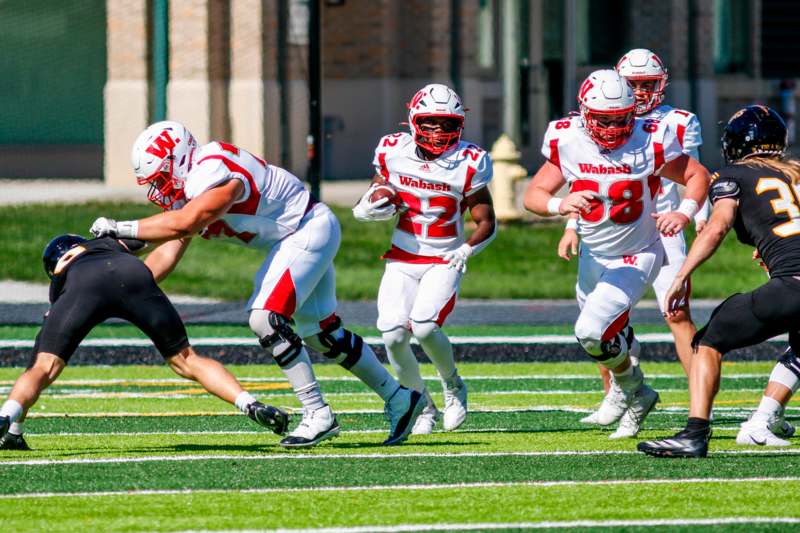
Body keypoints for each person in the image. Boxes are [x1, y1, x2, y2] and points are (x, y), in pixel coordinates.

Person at [89, 121, 425, 448]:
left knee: (265, 318)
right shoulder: (190, 191)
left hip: (305, 230)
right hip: (300, 234)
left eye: (161, 178)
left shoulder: (214, 167)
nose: (157, 190)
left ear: (178, 159)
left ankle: (317, 413)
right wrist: (124, 290)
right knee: (322, 334)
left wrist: (119, 226)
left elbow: (189, 222)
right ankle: (399, 399)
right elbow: (167, 249)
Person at [524, 69, 710, 439]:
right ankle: (636, 392)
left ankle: (632, 387)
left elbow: (698, 175)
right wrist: (562, 206)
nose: (611, 128)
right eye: (603, 120)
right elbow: (533, 195)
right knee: (607, 335)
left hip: (637, 252)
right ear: (584, 113)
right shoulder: (568, 139)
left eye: (620, 119)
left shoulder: (650, 139)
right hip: (594, 253)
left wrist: (684, 213)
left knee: (590, 331)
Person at [0, 234, 289, 450]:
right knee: (187, 359)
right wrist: (190, 226)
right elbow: (168, 240)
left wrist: (17, 425)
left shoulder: (61, 276)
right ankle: (249, 404)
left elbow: (41, 357)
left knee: (44, 366)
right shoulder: (107, 242)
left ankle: (7, 419)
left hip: (83, 285)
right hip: (133, 272)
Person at [639, 105, 800, 458]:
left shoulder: (732, 176)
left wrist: (682, 274)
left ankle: (694, 433)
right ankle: (763, 420)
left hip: (792, 285)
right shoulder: (797, 171)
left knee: (708, 341)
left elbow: (717, 226)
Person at [353, 83, 496, 434]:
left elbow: (487, 222)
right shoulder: (392, 150)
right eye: (430, 122)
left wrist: (466, 250)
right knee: (392, 335)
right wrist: (368, 206)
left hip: (444, 257)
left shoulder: (469, 161)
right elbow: (377, 190)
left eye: (447, 124)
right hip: (402, 257)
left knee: (426, 325)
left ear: (460, 124)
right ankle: (421, 407)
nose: (438, 131)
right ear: (414, 120)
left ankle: (452, 384)